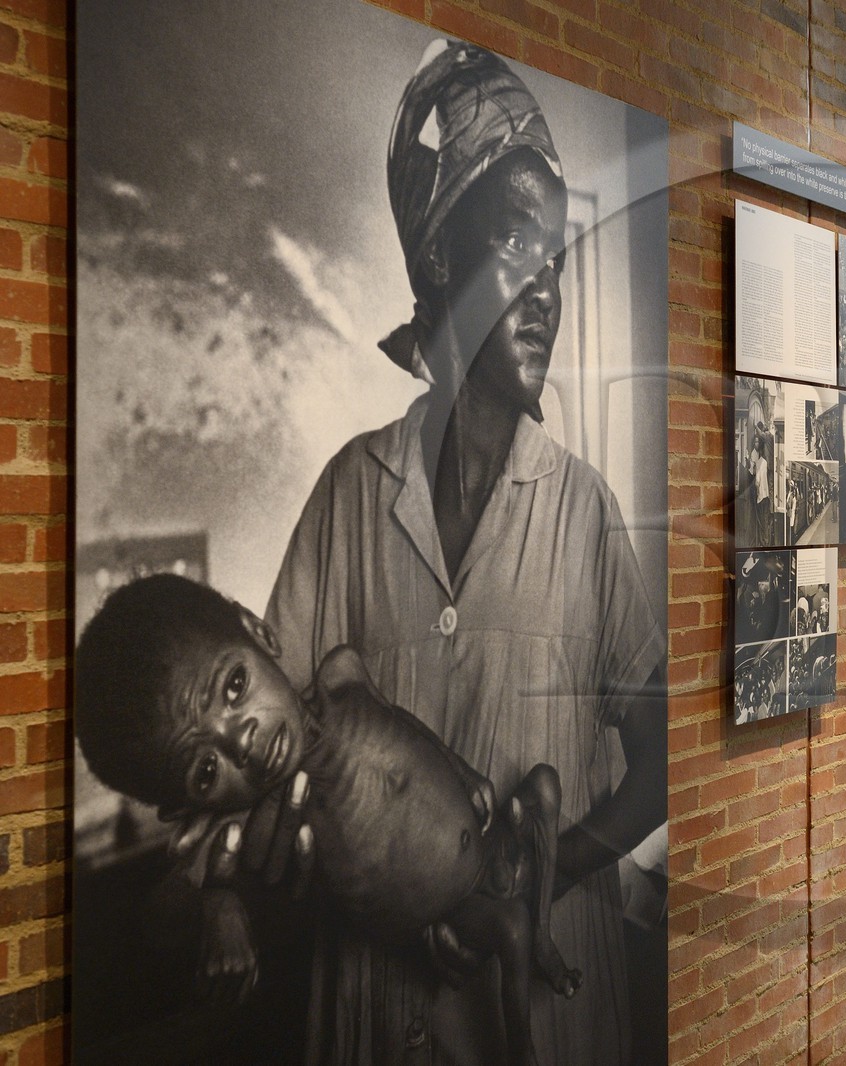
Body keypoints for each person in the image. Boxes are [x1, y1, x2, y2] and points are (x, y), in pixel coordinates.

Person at [256, 40, 665, 1066]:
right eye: (520, 247)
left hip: (544, 1010)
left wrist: (529, 880)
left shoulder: (580, 511)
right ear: (441, 260)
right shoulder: (352, 497)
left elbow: (659, 768)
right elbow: (270, 749)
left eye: (560, 262)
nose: (548, 293)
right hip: (369, 1018)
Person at [74, 574, 579, 1065]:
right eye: (206, 770)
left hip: (494, 842)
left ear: (259, 633)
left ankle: (547, 939)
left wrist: (464, 772)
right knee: (512, 926)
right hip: (459, 912)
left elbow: (402, 724)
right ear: (185, 809)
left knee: (546, 785)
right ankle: (522, 1052)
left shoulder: (342, 674)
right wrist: (222, 908)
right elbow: (174, 902)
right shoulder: (259, 823)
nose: (240, 741)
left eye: (234, 686)